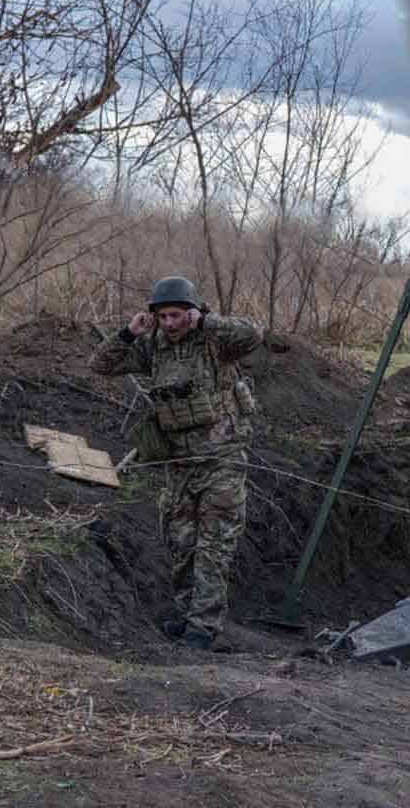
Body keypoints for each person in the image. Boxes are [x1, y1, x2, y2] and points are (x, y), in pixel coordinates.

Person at [91, 277, 263, 650]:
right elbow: (101, 365)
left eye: (176, 315)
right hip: (180, 463)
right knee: (181, 542)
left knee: (214, 545)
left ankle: (204, 628)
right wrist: (127, 333)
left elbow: (253, 335)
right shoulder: (153, 346)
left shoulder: (216, 341)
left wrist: (206, 321)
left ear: (191, 312)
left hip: (222, 460)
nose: (169, 323)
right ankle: (186, 617)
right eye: (162, 316)